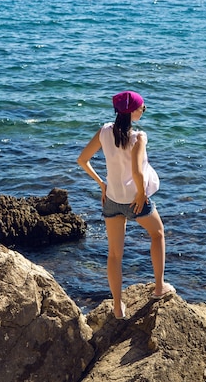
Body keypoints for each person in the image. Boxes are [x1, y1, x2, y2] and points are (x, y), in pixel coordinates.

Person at [77, 90, 175, 319]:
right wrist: (141, 194)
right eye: (143, 107)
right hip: (134, 200)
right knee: (158, 234)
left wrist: (102, 184)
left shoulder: (104, 131)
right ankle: (159, 288)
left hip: (112, 199)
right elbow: (137, 171)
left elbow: (82, 159)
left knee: (114, 254)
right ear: (132, 111)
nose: (144, 110)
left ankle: (118, 306)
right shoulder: (138, 137)